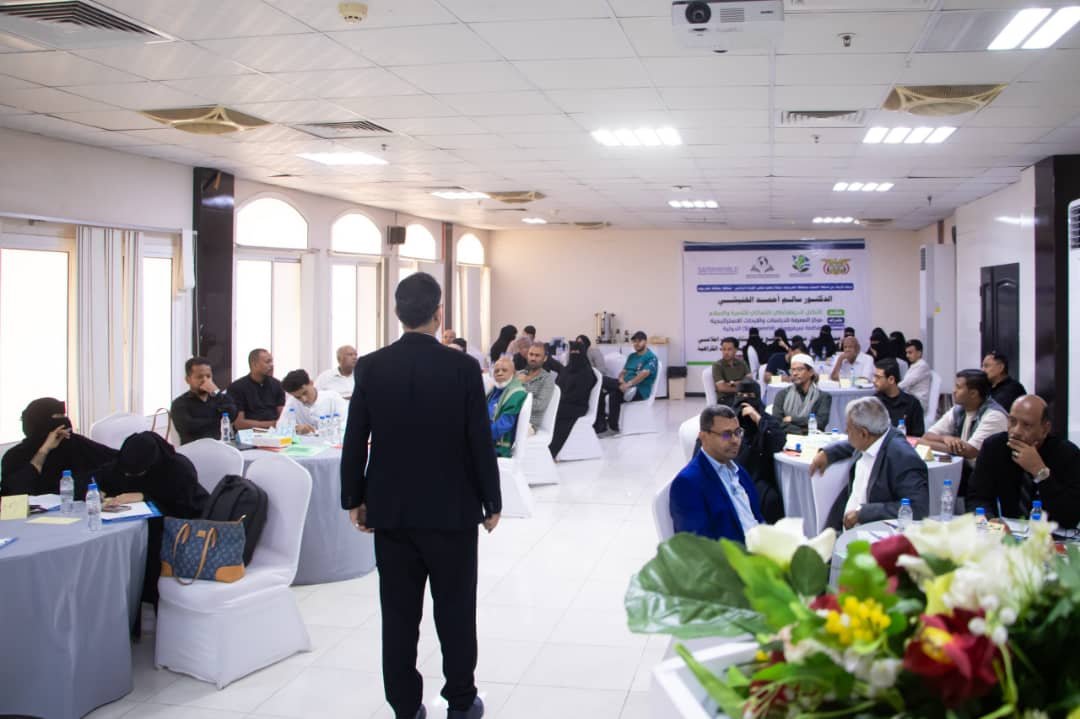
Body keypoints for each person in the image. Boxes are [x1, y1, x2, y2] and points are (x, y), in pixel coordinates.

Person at [340, 272, 499, 719]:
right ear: (438, 313)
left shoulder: (371, 366)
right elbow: (478, 440)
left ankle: (406, 706)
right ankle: (461, 702)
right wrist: (492, 501)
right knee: (455, 612)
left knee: (398, 616)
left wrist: (354, 496)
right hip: (453, 510)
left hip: (390, 511)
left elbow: (357, 439)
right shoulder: (463, 367)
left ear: (397, 314)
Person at [102, 431, 208, 604]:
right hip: (142, 529)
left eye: (139, 472)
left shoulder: (178, 468)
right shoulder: (124, 464)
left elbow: (183, 507)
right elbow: (101, 477)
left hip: (183, 530)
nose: (132, 477)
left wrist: (145, 496)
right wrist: (98, 491)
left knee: (150, 552)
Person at [812, 397, 930, 531]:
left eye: (849, 428)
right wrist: (828, 453)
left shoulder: (903, 458)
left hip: (875, 536)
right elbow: (850, 444)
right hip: (844, 527)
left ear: (863, 433)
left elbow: (917, 508)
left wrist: (865, 513)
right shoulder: (875, 436)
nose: (845, 431)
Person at [968, 395, 1080, 528]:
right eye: (1012, 422)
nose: (1016, 431)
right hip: (1005, 533)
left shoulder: (1067, 454)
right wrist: (990, 521)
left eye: (1026, 425)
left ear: (1045, 429)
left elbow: (1070, 517)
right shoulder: (994, 447)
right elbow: (977, 497)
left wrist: (1040, 472)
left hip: (1051, 536)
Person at [669, 405, 765, 542]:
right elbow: (698, 548)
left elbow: (756, 517)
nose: (735, 440)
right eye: (726, 434)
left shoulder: (738, 470)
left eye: (737, 432)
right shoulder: (688, 484)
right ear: (703, 437)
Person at [1, 397, 115, 498]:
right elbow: (15, 493)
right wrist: (44, 450)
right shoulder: (15, 456)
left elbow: (119, 463)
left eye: (64, 417)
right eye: (57, 418)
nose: (64, 423)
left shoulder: (76, 444)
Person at [922, 369, 1009, 494]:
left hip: (987, 480)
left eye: (958, 387)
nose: (954, 390)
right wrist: (945, 439)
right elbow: (927, 435)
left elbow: (970, 451)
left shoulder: (994, 415)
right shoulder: (959, 410)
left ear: (973, 393)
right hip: (965, 472)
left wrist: (925, 443)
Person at [732, 379, 786, 523]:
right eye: (740, 395)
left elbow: (778, 442)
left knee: (771, 501)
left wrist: (757, 419)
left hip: (757, 477)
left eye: (750, 395)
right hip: (729, 475)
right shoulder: (726, 419)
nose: (744, 400)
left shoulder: (767, 420)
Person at [171, 357, 239, 444]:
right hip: (193, 450)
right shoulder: (179, 403)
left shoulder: (220, 398)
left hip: (221, 447)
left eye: (208, 376)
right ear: (188, 380)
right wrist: (218, 420)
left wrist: (216, 392)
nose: (205, 380)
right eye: (200, 377)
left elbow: (233, 414)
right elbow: (189, 428)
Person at [549, 341, 597, 458]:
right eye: (572, 351)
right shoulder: (567, 369)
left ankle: (552, 449)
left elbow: (579, 394)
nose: (574, 354)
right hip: (565, 402)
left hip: (578, 406)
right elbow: (558, 384)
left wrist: (560, 399)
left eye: (577, 352)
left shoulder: (586, 372)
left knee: (556, 410)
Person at [772, 353, 832, 435]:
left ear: (810, 372)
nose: (795, 373)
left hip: (813, 440)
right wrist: (802, 431)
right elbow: (777, 422)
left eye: (799, 369)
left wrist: (792, 419)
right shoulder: (782, 395)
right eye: (792, 370)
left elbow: (820, 422)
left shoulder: (823, 397)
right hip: (787, 439)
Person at [227, 348, 285, 430]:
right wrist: (273, 424)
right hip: (249, 435)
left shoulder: (277, 385)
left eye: (272, 361)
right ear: (254, 365)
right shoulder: (237, 387)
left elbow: (283, 417)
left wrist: (279, 424)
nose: (271, 365)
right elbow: (239, 423)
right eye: (267, 362)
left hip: (275, 433)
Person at [280, 369, 348, 435]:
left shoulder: (333, 398)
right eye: (298, 397)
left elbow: (345, 425)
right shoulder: (292, 401)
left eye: (305, 393)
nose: (304, 399)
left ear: (311, 383)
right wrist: (296, 429)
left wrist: (320, 432)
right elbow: (281, 426)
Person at [873, 358, 925, 436]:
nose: (874, 381)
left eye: (878, 377)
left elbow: (918, 435)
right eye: (874, 377)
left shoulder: (912, 403)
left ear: (891, 379)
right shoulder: (874, 402)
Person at [487, 356, 526, 457]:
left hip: (496, 445)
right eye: (496, 371)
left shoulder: (516, 393)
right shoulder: (494, 390)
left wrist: (479, 434)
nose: (500, 373)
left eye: (504, 370)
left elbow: (505, 424)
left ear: (513, 373)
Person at [517, 342, 556, 430]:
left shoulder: (547, 379)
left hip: (529, 424)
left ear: (544, 358)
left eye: (537, 355)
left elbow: (539, 405)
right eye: (531, 354)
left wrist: (521, 390)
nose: (533, 358)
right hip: (512, 418)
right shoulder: (519, 373)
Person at [620, 331, 659, 403]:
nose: (636, 344)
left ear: (645, 342)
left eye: (639, 341)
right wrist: (621, 380)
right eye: (634, 341)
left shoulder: (651, 357)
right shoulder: (631, 356)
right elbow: (623, 372)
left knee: (614, 396)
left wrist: (628, 384)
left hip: (639, 389)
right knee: (604, 389)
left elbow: (644, 374)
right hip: (625, 386)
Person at [711, 337, 752, 406]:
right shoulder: (717, 365)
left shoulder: (742, 363)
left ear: (736, 350)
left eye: (729, 349)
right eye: (723, 349)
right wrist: (741, 385)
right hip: (726, 398)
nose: (726, 352)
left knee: (758, 402)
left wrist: (731, 383)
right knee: (745, 405)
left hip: (742, 395)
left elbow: (750, 381)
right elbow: (722, 387)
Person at [899, 339, 933, 415]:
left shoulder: (922, 366)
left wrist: (892, 388)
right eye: (906, 353)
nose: (907, 355)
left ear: (919, 353)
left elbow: (906, 383)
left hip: (918, 402)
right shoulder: (915, 365)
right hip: (911, 399)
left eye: (910, 353)